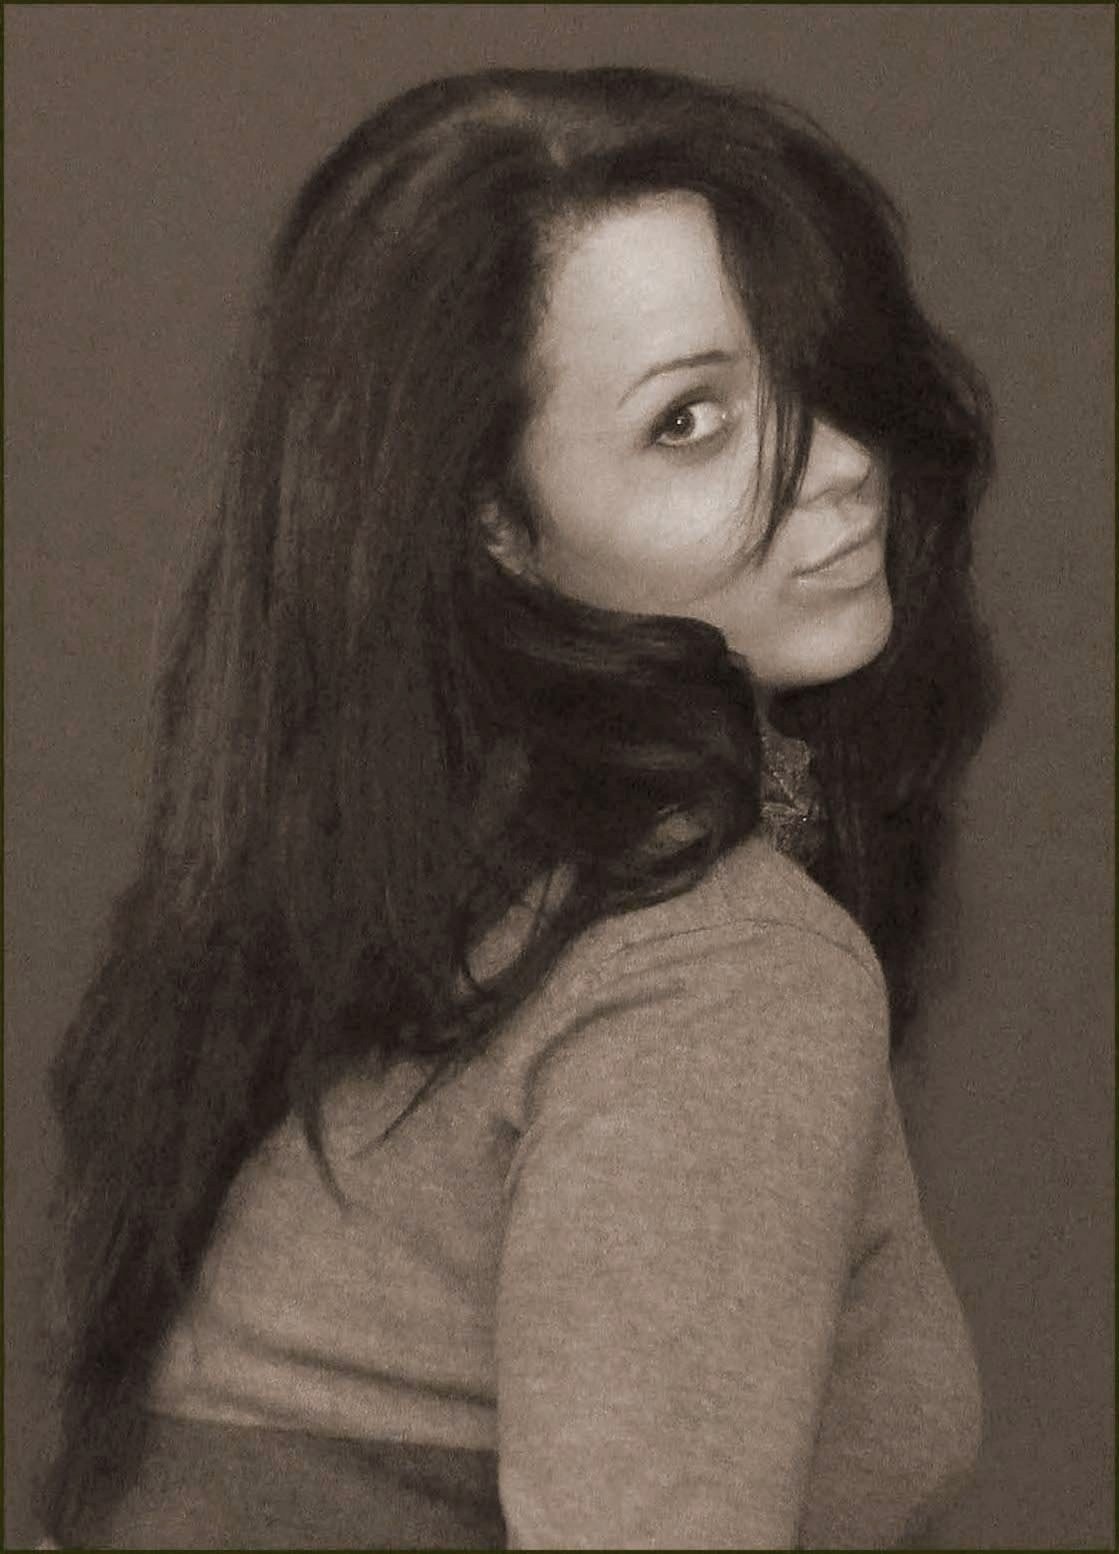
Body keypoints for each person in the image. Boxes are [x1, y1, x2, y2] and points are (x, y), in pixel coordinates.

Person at [38, 65, 1000, 1550]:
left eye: (818, 374)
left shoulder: (421, 898)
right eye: (689, 421)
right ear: (495, 525)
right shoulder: (719, 968)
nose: (844, 468)